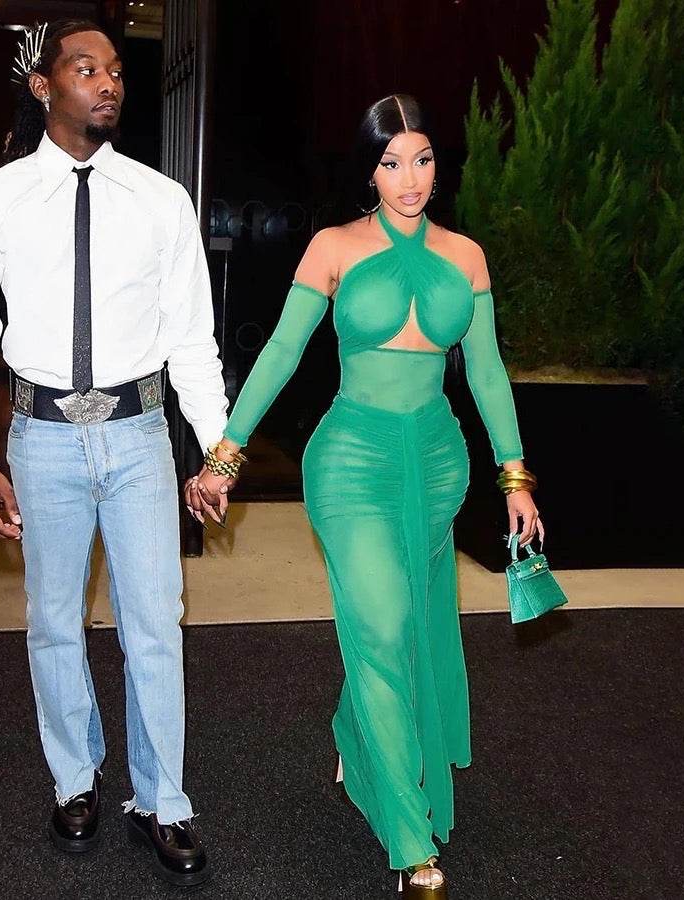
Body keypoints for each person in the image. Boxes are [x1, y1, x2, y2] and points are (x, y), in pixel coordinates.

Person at [186, 94, 544, 896]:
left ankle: (356, 733)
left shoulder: (467, 256)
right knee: (381, 622)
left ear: (438, 165)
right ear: (369, 170)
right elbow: (282, 350)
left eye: (422, 159)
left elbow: (486, 372)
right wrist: (225, 456)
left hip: (437, 462)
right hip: (350, 460)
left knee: (402, 626)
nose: (409, 178)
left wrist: (514, 476)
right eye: (390, 163)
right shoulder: (334, 247)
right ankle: (412, 847)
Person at [0, 19, 226, 888]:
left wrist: (217, 450)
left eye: (116, 71)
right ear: (44, 86)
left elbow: (193, 340)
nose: (108, 84)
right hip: (43, 442)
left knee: (155, 626)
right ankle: (75, 779)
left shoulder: (162, 201)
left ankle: (163, 799)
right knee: (55, 623)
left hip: (139, 439)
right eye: (86, 68)